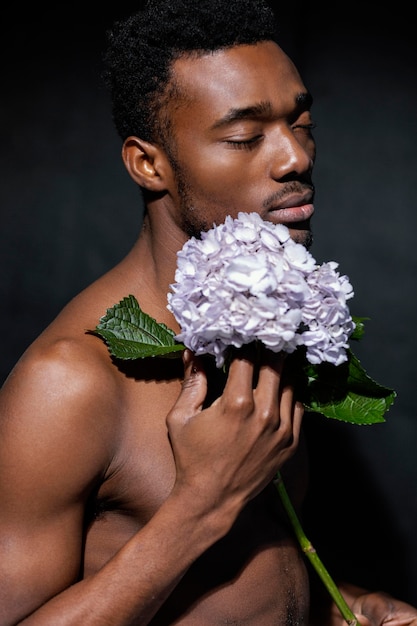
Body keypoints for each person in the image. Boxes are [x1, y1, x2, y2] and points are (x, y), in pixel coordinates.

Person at [0, 1, 415, 624]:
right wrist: (202, 504)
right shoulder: (69, 384)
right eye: (246, 136)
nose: (294, 158)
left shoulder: (267, 324)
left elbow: (244, 561)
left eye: (301, 123)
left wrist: (343, 604)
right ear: (149, 163)